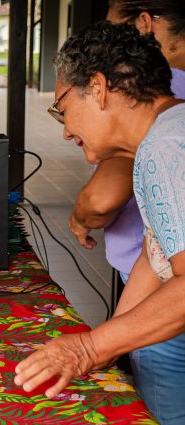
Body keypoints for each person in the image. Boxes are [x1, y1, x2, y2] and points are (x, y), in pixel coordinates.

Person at [14, 22, 185, 425]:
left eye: (62, 108)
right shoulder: (166, 133)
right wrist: (112, 345)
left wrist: (90, 348)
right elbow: (157, 254)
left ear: (98, 87)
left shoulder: (165, 150)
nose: (66, 130)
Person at [69, 1, 185, 281]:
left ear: (144, 24)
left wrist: (81, 216)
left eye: (113, 32)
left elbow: (102, 199)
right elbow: (153, 245)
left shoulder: (161, 121)